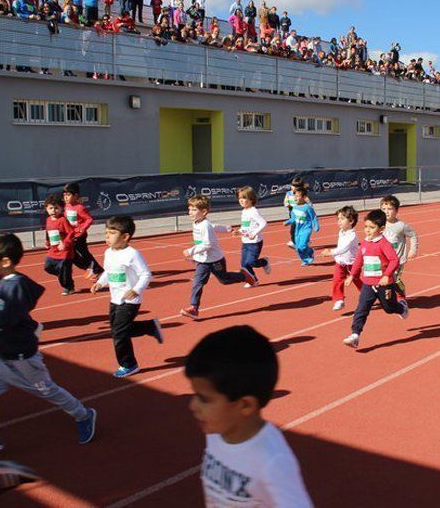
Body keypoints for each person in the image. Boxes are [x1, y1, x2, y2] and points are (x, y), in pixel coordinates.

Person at [0, 234, 97, 455]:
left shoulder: (16, 287)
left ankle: (84, 414)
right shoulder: (2, 283)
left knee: (48, 391)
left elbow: (5, 319)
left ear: (5, 262)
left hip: (23, 359)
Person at [186, 325, 313, 506]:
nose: (193, 406)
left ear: (245, 405)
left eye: (204, 399)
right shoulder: (216, 432)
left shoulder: (272, 461)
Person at [90, 216, 163, 378]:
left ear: (125, 237)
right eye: (106, 233)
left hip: (130, 301)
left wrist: (136, 290)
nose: (107, 237)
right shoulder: (108, 252)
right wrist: (100, 283)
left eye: (112, 233)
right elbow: (108, 272)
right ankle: (150, 326)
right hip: (114, 299)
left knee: (119, 334)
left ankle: (129, 364)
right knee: (118, 330)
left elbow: (145, 274)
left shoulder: (132, 254)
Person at [180, 195, 255, 321]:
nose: (190, 212)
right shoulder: (198, 223)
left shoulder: (205, 225)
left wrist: (191, 251)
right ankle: (194, 308)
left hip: (215, 260)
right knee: (197, 282)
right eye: (189, 209)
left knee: (224, 280)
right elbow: (214, 226)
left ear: (204, 212)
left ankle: (244, 276)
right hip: (203, 261)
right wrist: (227, 228)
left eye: (194, 210)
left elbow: (207, 244)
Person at [341, 210, 409, 348]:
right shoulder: (365, 243)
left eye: (372, 228)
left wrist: (386, 275)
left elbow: (394, 260)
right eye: (366, 227)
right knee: (361, 309)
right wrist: (352, 275)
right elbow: (359, 260)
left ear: (381, 229)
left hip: (384, 285)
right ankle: (355, 334)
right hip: (368, 284)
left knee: (389, 308)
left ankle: (402, 308)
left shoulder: (384, 244)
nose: (367, 230)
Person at [321, 206, 363, 311]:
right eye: (338, 219)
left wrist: (331, 252)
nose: (339, 221)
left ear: (351, 221)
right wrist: (335, 255)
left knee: (357, 280)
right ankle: (339, 300)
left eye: (342, 219)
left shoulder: (352, 235)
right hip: (340, 263)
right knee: (337, 280)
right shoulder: (341, 232)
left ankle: (368, 294)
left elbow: (344, 248)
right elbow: (340, 247)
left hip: (352, 263)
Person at [62, 182, 103, 281]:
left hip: (79, 235)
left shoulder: (80, 208)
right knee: (74, 253)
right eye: (64, 195)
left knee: (82, 253)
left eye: (68, 195)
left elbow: (89, 219)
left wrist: (82, 228)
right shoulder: (66, 206)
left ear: (75, 196)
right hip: (71, 235)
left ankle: (93, 268)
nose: (66, 198)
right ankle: (94, 268)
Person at [381, 195, 418, 300]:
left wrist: (413, 250)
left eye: (389, 209)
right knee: (385, 279)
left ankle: (401, 292)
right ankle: (387, 298)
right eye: (384, 209)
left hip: (398, 259)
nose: (386, 212)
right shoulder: (379, 224)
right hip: (384, 259)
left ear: (396, 210)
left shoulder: (401, 226)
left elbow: (413, 236)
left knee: (395, 279)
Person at [235, 186, 271, 287]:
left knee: (251, 262)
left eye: (244, 198)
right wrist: (239, 231)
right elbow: (245, 226)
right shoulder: (244, 211)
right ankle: (254, 280)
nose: (241, 200)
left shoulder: (253, 211)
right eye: (239, 198)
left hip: (255, 242)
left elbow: (263, 223)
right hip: (245, 242)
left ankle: (264, 262)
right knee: (244, 264)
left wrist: (254, 233)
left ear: (251, 199)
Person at [42, 193, 76, 295]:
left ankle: (69, 288)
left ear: (61, 209)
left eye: (56, 208)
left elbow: (71, 233)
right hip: (53, 251)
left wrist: (65, 243)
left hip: (65, 252)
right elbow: (48, 232)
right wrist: (47, 242)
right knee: (47, 267)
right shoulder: (48, 220)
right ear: (46, 209)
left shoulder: (63, 220)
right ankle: (62, 275)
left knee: (64, 273)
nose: (53, 211)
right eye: (51, 208)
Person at [285, 185, 319, 265]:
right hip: (298, 230)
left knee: (302, 246)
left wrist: (316, 226)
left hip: (306, 229)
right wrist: (287, 222)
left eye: (297, 196)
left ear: (304, 197)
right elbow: (293, 218)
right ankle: (306, 258)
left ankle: (308, 257)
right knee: (298, 247)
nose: (295, 198)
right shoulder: (294, 208)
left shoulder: (307, 207)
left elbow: (313, 217)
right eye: (294, 196)